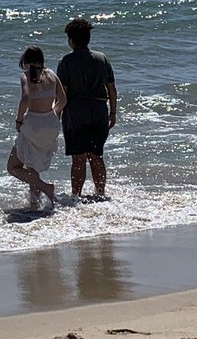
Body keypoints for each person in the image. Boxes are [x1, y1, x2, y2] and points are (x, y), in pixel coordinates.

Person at [57, 18, 117, 197]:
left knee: (78, 157)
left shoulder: (66, 61)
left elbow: (62, 94)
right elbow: (112, 88)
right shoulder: (102, 58)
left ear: (71, 41)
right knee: (96, 155)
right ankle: (100, 193)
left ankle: (76, 196)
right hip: (99, 110)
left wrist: (56, 115)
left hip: (76, 113)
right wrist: (113, 112)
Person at [7, 46, 67, 210]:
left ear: (25, 62)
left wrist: (19, 121)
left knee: (12, 167)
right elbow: (63, 100)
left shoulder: (25, 76)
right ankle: (34, 202)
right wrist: (51, 114)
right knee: (32, 164)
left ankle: (45, 188)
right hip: (50, 124)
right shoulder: (52, 74)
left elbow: (25, 98)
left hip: (33, 124)